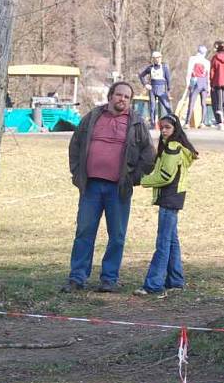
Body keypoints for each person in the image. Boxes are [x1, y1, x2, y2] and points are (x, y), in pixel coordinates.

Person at [63, 81, 155, 293]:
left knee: (117, 235)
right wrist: (77, 173)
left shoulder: (136, 123)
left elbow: (148, 155)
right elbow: (75, 144)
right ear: (110, 96)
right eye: (119, 95)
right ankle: (77, 277)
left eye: (127, 97)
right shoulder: (92, 117)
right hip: (91, 187)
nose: (122, 99)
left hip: (118, 189)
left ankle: (109, 278)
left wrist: (134, 177)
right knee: (84, 232)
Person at [134, 114, 198, 296]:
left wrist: (143, 180)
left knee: (163, 243)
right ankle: (176, 281)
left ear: (175, 129)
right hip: (175, 197)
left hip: (170, 199)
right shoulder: (178, 146)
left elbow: (165, 176)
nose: (163, 130)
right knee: (172, 241)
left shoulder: (172, 147)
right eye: (161, 127)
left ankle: (153, 284)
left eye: (167, 127)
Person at [138, 51, 172, 127]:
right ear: (153, 59)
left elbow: (168, 79)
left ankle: (173, 121)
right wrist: (145, 84)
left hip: (162, 89)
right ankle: (152, 124)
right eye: (155, 58)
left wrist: (169, 89)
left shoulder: (164, 67)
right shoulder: (150, 68)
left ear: (161, 58)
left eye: (158, 58)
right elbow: (141, 75)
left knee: (167, 106)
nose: (157, 60)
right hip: (152, 89)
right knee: (152, 107)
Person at [183, 45, 210, 129]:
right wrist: (209, 86)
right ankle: (203, 122)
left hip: (195, 81)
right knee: (203, 103)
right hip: (204, 82)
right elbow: (208, 75)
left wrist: (188, 83)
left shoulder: (192, 59)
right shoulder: (207, 61)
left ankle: (187, 122)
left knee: (191, 102)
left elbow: (189, 72)